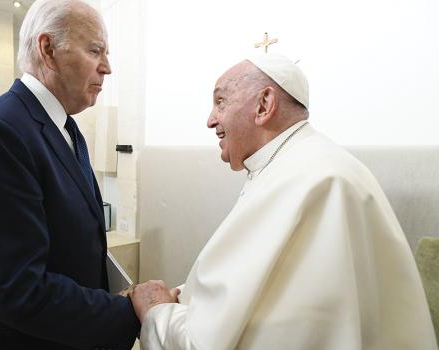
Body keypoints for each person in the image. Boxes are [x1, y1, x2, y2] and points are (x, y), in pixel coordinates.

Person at [129, 54, 438, 349]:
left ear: (264, 105)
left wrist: (158, 312)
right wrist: (185, 297)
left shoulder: (312, 180)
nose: (210, 120)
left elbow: (218, 340)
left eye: (220, 101)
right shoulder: (301, 163)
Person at [0, 1, 139, 349]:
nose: (107, 68)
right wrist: (128, 312)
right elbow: (17, 289)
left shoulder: (66, 129)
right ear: (48, 50)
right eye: (95, 50)